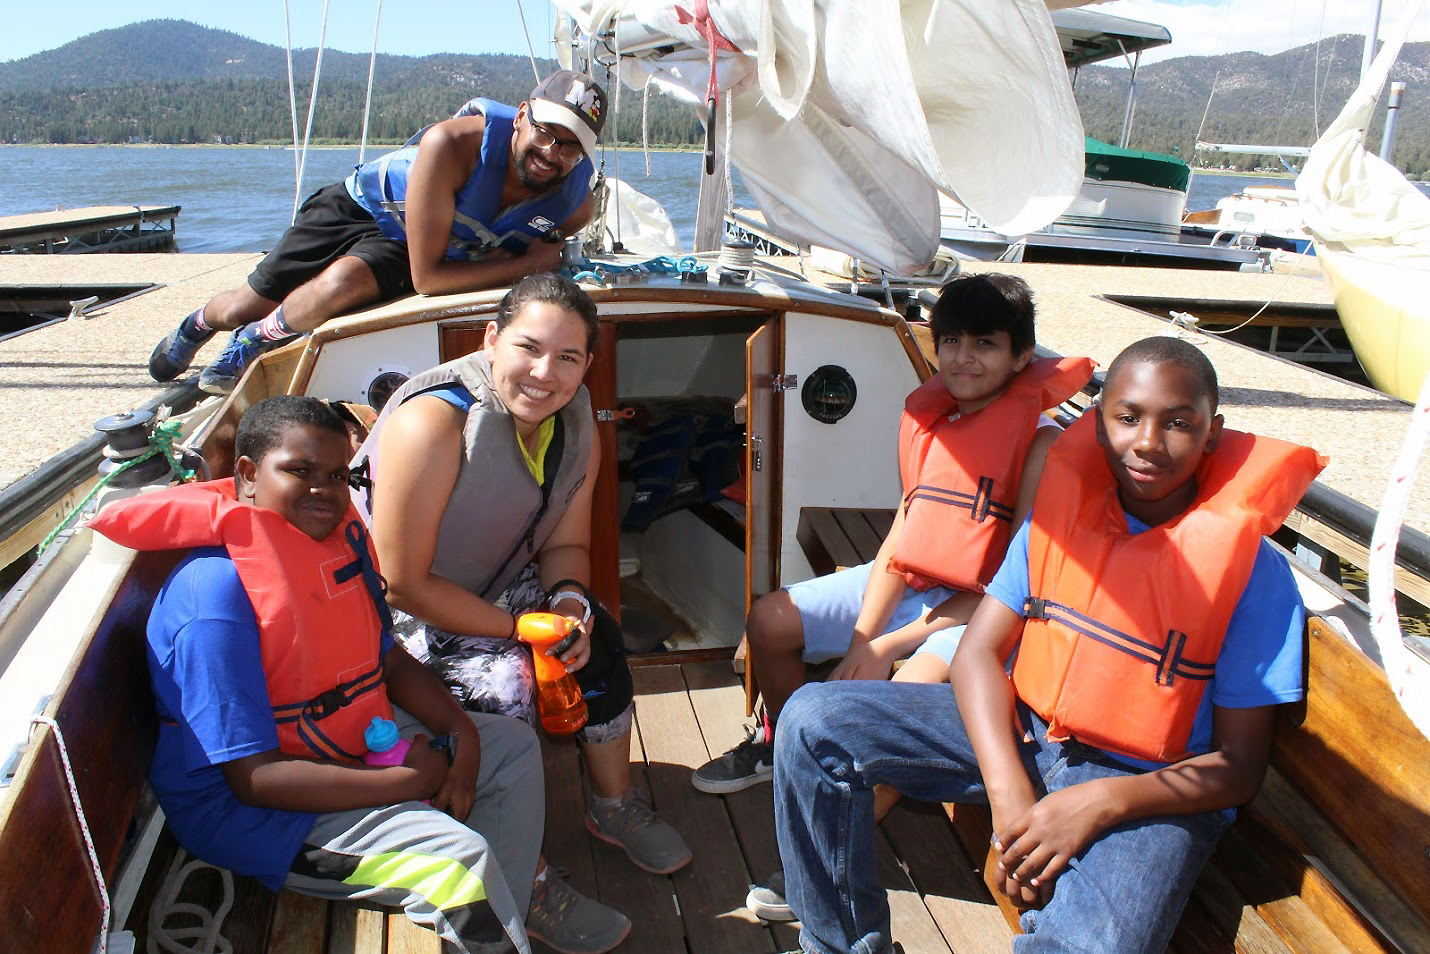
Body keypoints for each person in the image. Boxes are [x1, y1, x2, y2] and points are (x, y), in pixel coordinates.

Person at [771, 336, 1326, 953]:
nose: (1147, 442)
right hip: (1030, 734)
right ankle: (838, 944)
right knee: (813, 720)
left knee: (1097, 944)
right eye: (1127, 417)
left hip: (1149, 787)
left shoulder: (1254, 573)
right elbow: (978, 654)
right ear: (1098, 422)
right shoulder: (1057, 522)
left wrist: (1095, 804)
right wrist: (1011, 798)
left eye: (1178, 423)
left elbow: (1239, 767)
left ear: (1212, 433)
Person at [88, 396, 544, 954]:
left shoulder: (331, 551)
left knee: (513, 746)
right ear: (250, 475)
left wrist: (465, 736)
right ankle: (489, 908)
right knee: (459, 866)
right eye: (299, 471)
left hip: (339, 734)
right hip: (256, 814)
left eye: (336, 475)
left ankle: (506, 915)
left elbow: (387, 660)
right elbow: (251, 780)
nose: (324, 492)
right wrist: (410, 783)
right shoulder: (214, 599)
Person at [351, 272, 690, 953]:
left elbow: (566, 542)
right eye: (528, 348)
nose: (545, 373)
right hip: (397, 620)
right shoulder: (433, 421)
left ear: (587, 365)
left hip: (500, 585)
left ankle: (611, 804)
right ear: (490, 340)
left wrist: (567, 607)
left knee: (598, 642)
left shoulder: (574, 419)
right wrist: (516, 631)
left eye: (568, 357)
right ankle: (522, 877)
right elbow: (402, 585)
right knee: (502, 687)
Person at [693, 274, 1092, 796]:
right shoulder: (934, 428)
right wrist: (862, 641)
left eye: (986, 344)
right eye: (952, 342)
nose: (964, 358)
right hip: (918, 589)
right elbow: (896, 547)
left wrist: (887, 648)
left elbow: (1013, 586)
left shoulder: (1042, 446)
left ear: (1021, 358)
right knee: (768, 620)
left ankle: (834, 838)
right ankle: (786, 747)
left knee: (892, 710)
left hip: (983, 615)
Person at [147, 69, 607, 395]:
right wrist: (527, 266)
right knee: (246, 304)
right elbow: (429, 280)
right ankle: (201, 324)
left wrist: (517, 261)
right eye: (546, 132)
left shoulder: (574, 207)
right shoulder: (452, 144)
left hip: (419, 240)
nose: (553, 153)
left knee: (340, 286)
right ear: (523, 114)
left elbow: (520, 246)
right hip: (362, 206)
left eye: (571, 148)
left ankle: (256, 339)